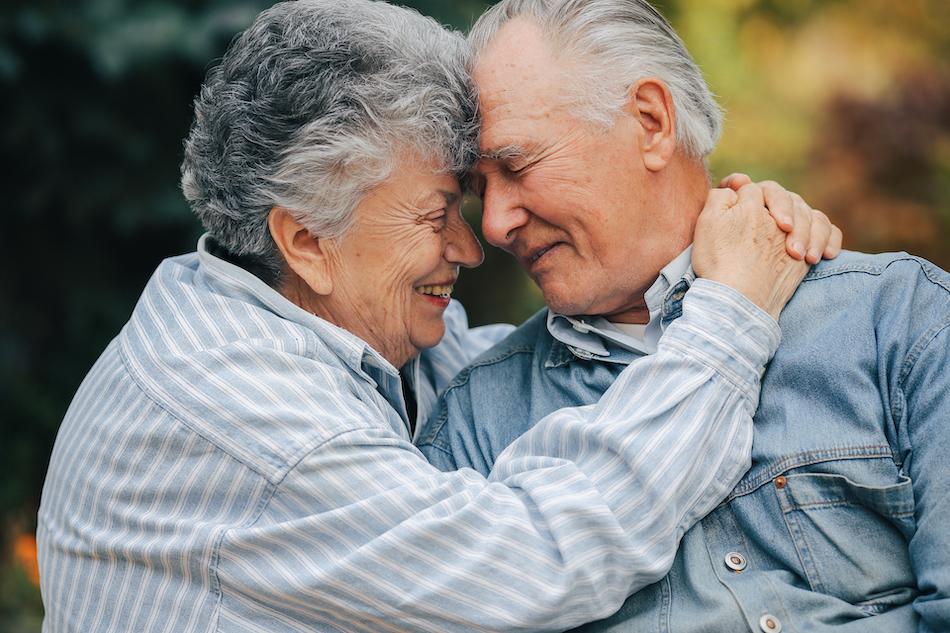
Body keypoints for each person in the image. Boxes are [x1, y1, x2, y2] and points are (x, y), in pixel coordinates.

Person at [35, 1, 838, 631]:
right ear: (307, 239)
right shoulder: (236, 400)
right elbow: (536, 562)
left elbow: (543, 365)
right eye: (436, 214)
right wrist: (731, 316)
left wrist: (731, 247)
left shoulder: (315, 317)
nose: (476, 241)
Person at [418, 1, 950, 631]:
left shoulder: (899, 316)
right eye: (482, 190)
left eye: (517, 166)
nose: (498, 224)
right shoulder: (477, 422)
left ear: (650, 122)